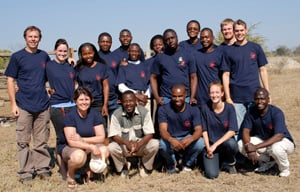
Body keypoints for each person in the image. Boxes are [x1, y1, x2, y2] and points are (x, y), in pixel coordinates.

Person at [4, 26, 52, 182]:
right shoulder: (17, 57)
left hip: (42, 105)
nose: (33, 39)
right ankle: (25, 172)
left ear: (40, 38)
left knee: (41, 140)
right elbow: (10, 80)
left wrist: (69, 61)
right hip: (24, 104)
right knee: (23, 141)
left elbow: (53, 72)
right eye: (30, 36)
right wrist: (13, 104)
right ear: (25, 38)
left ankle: (42, 168)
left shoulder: (44, 56)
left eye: (36, 36)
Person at [222, 19, 270, 134]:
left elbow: (262, 70)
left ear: (246, 31)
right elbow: (226, 74)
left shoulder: (256, 48)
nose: (239, 33)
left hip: (255, 96)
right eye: (237, 31)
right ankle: (240, 152)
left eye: (241, 30)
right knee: (238, 130)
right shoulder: (228, 51)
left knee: (257, 128)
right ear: (234, 32)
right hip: (237, 98)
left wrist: (267, 92)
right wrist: (228, 97)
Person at [57, 87, 109, 188]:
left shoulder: (95, 114)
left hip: (84, 144)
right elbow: (72, 142)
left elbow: (101, 137)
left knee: (104, 150)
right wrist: (91, 147)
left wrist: (83, 139)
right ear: (75, 101)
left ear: (91, 100)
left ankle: (90, 173)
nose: (84, 102)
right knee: (79, 156)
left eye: (86, 99)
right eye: (81, 99)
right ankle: (70, 174)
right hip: (69, 147)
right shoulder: (70, 116)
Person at [238, 88, 295, 177]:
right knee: (241, 144)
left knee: (276, 148)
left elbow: (279, 136)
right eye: (257, 99)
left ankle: (284, 169)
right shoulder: (251, 111)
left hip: (283, 142)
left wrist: (255, 147)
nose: (259, 101)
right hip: (265, 142)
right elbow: (245, 130)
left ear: (268, 99)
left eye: (262, 99)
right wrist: (249, 147)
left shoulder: (276, 112)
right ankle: (268, 161)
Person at [108, 90, 159, 178]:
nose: (128, 104)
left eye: (131, 101)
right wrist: (126, 143)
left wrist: (138, 144)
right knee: (111, 147)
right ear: (121, 102)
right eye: (125, 101)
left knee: (155, 144)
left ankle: (144, 165)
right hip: (124, 146)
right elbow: (114, 136)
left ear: (135, 101)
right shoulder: (116, 114)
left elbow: (150, 133)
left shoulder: (144, 112)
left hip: (140, 144)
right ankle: (123, 167)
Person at [46, 38, 77, 179]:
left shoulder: (71, 66)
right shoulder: (48, 66)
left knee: (73, 137)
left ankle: (75, 166)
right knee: (61, 138)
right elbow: (36, 79)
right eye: (60, 51)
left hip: (72, 106)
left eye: (65, 51)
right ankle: (63, 170)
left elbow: (75, 83)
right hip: (57, 107)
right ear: (55, 51)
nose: (62, 53)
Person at [158, 84, 204, 173]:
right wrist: (171, 140)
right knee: (162, 144)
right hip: (171, 137)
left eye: (180, 96)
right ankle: (171, 165)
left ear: (185, 95)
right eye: (174, 96)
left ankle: (186, 164)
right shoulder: (163, 109)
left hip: (187, 137)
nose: (177, 99)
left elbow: (198, 129)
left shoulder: (193, 110)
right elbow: (163, 130)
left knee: (200, 143)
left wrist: (191, 139)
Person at [150, 29, 198, 106]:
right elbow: (153, 77)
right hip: (166, 98)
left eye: (172, 38)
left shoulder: (188, 54)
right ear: (164, 42)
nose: (170, 41)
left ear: (177, 37)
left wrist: (192, 97)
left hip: (185, 98)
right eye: (167, 39)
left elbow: (193, 77)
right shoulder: (160, 57)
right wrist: (157, 97)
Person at [201, 82, 238, 179]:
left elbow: (232, 131)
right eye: (212, 93)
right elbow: (204, 130)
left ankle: (230, 162)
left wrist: (215, 145)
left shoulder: (230, 108)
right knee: (212, 175)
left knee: (232, 144)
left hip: (224, 144)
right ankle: (218, 162)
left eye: (217, 92)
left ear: (222, 93)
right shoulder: (205, 108)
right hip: (211, 145)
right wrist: (209, 147)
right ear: (209, 94)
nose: (214, 95)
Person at [76, 42, 109, 134]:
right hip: (84, 103)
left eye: (90, 53)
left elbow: (106, 86)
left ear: (94, 53)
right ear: (81, 55)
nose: (88, 56)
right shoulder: (78, 67)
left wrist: (105, 104)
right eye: (85, 54)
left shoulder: (101, 67)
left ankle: (103, 147)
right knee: (85, 129)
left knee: (102, 129)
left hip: (98, 103)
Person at [194, 28, 226, 106]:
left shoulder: (220, 53)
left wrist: (224, 94)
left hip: (216, 97)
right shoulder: (196, 54)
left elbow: (224, 76)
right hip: (201, 98)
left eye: (207, 37)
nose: (204, 39)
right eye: (202, 38)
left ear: (213, 37)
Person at [116, 43, 151, 112]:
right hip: (130, 100)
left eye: (136, 51)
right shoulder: (124, 66)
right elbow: (121, 86)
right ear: (128, 52)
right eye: (132, 51)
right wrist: (136, 95)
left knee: (146, 121)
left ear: (139, 52)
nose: (134, 53)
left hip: (145, 99)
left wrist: (146, 96)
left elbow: (151, 83)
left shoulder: (145, 66)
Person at [97, 32, 121, 117]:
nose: (105, 44)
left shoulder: (116, 57)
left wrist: (120, 96)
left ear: (111, 43)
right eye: (103, 41)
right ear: (98, 42)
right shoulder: (94, 57)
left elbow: (120, 77)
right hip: (99, 99)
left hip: (114, 98)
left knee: (116, 127)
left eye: (108, 42)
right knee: (102, 128)